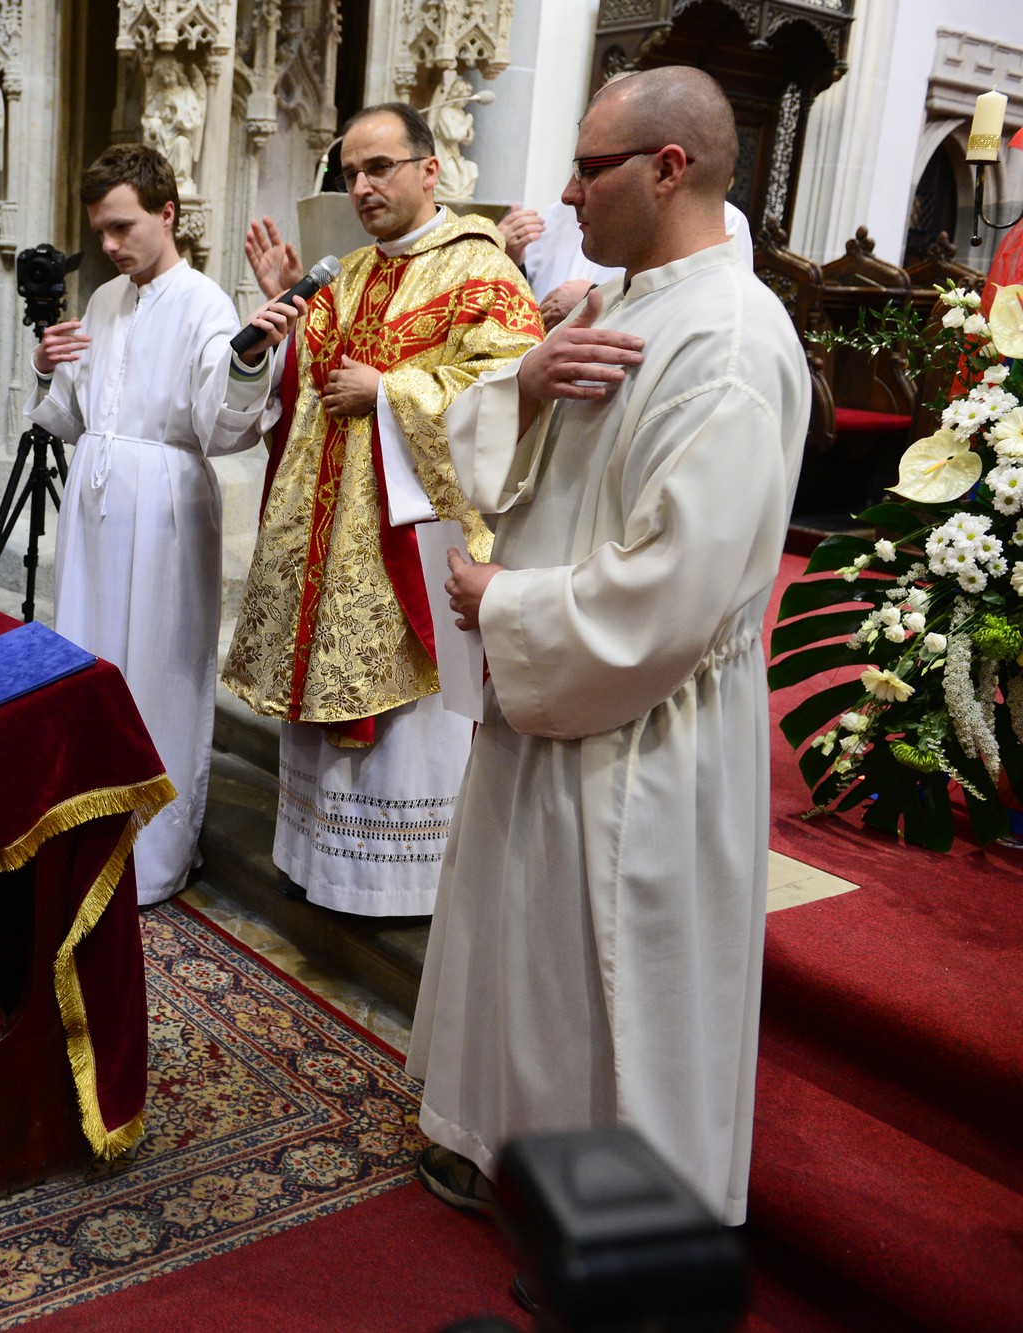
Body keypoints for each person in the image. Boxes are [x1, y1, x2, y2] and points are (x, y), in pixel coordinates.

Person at [409, 67, 808, 1236]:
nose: (566, 195)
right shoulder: (613, 301)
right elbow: (515, 458)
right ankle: (509, 1147)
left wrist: (509, 603)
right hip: (561, 693)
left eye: (589, 169)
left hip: (643, 720)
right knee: (527, 956)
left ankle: (624, 1217)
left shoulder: (730, 344)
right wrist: (523, 387)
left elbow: (674, 590)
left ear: (666, 168)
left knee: (611, 981)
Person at [222, 104, 543, 918]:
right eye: (350, 173)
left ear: (429, 171)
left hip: (412, 544)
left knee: (406, 728)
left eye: (379, 168)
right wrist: (286, 331)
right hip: (327, 545)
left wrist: (393, 393)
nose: (361, 186)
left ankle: (394, 884)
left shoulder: (484, 272)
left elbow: (518, 395)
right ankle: (318, 864)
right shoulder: (349, 272)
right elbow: (307, 398)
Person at [29, 143, 295, 905]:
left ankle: (152, 859)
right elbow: (72, 415)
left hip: (167, 506)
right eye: (100, 232)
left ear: (167, 212)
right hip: (96, 504)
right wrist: (50, 363)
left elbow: (223, 423)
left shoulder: (203, 301)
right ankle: (91, 838)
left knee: (159, 676)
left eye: (121, 227)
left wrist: (250, 358)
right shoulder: (107, 299)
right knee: (92, 665)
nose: (108, 246)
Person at [499, 195, 754, 328]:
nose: (569, 194)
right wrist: (509, 261)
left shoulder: (722, 223)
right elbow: (533, 302)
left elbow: (697, 318)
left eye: (591, 169)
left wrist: (593, 299)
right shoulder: (561, 212)